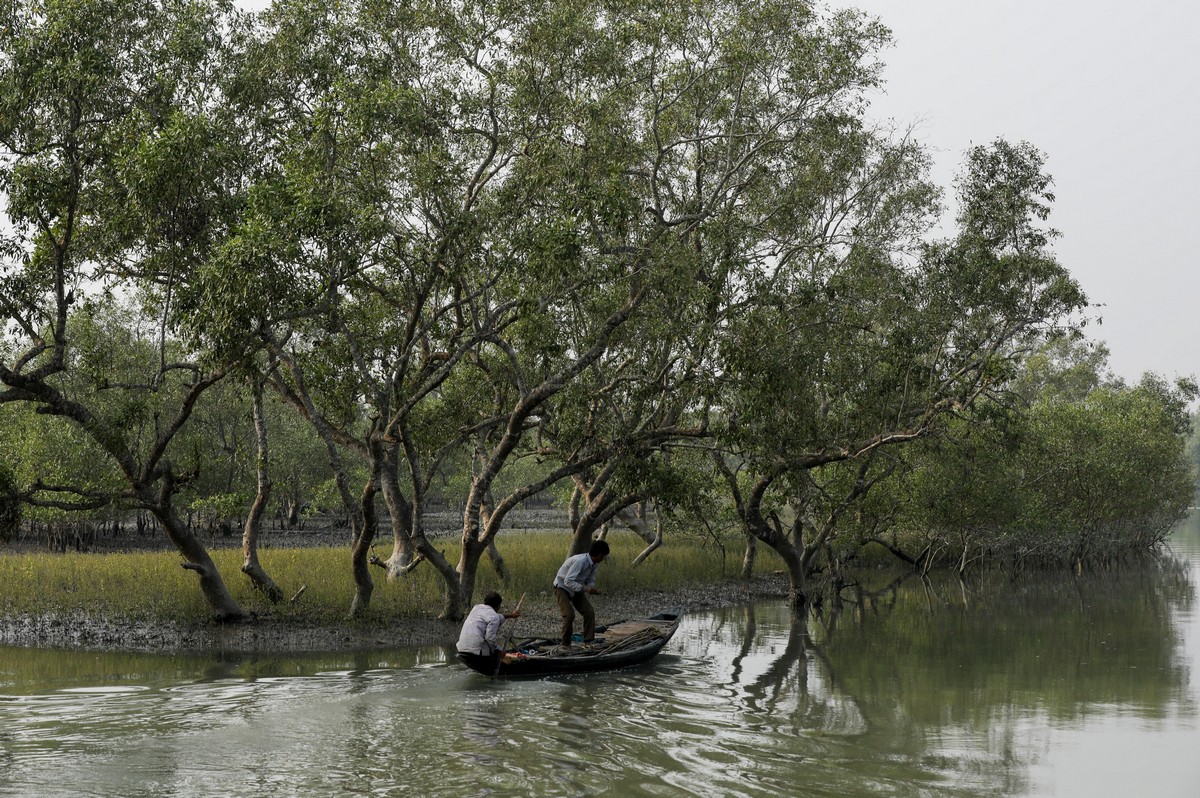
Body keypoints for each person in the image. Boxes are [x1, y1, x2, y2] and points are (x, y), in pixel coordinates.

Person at [552, 539, 610, 646]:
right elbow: (568, 581)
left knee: (589, 612)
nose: (603, 558)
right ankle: (565, 645)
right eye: (604, 556)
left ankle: (588, 640)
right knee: (569, 615)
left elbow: (591, 579)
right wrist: (586, 589)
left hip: (577, 587)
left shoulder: (594, 563)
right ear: (600, 555)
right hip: (562, 587)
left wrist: (592, 588)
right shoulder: (580, 561)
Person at [456, 591, 520, 673]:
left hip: (462, 648)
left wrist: (511, 616)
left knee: (492, 649)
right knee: (493, 649)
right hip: (476, 652)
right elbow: (490, 638)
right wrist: (500, 652)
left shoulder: (476, 608)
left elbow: (493, 617)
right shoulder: (494, 617)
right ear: (498, 606)